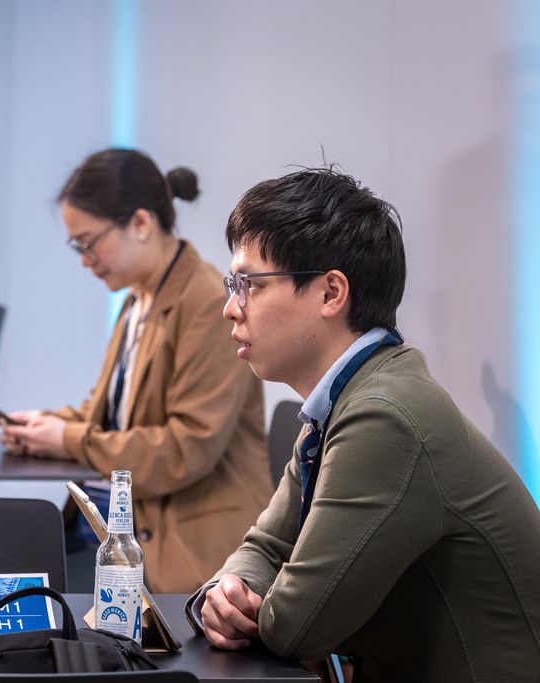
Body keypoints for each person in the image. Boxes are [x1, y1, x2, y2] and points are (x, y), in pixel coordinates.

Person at [188, 168, 540, 681]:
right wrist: (226, 592)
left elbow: (297, 627)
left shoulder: (384, 416)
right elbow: (265, 546)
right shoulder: (347, 399)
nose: (228, 309)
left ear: (331, 293)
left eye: (248, 284)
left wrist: (240, 602)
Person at [1, 148, 271, 593]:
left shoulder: (204, 301)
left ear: (141, 224)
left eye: (88, 242)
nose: (84, 258)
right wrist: (47, 426)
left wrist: (68, 439)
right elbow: (111, 412)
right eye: (77, 246)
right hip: (134, 522)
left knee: (30, 579)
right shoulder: (137, 298)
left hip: (194, 545)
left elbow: (185, 448)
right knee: (23, 561)